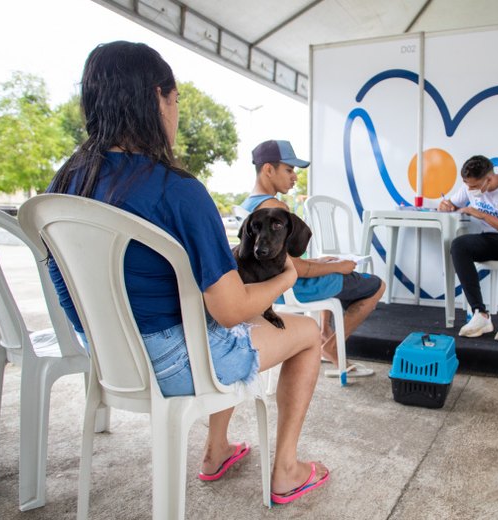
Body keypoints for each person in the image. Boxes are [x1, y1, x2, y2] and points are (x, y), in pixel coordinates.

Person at [45, 41, 328, 504]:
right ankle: (286, 471)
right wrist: (285, 278)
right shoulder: (178, 190)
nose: (175, 114)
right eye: (175, 102)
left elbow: (62, 284)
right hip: (175, 366)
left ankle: (217, 449)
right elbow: (234, 309)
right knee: (306, 332)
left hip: (107, 357)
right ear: (157, 98)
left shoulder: (67, 181)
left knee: (217, 322)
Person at [243, 139, 385, 378]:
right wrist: (340, 266)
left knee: (329, 267)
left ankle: (324, 335)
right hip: (292, 287)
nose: (294, 177)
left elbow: (281, 258)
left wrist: (322, 262)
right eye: (289, 170)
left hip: (267, 287)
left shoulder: (248, 205)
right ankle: (331, 346)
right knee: (376, 285)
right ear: (268, 169)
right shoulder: (274, 207)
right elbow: (293, 267)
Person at [438, 155, 498, 340]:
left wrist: (482, 215)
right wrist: (446, 205)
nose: (470, 189)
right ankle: (480, 314)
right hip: (489, 239)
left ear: (489, 179)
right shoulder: (470, 186)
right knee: (459, 245)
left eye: (474, 186)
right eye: (467, 185)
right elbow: (452, 203)